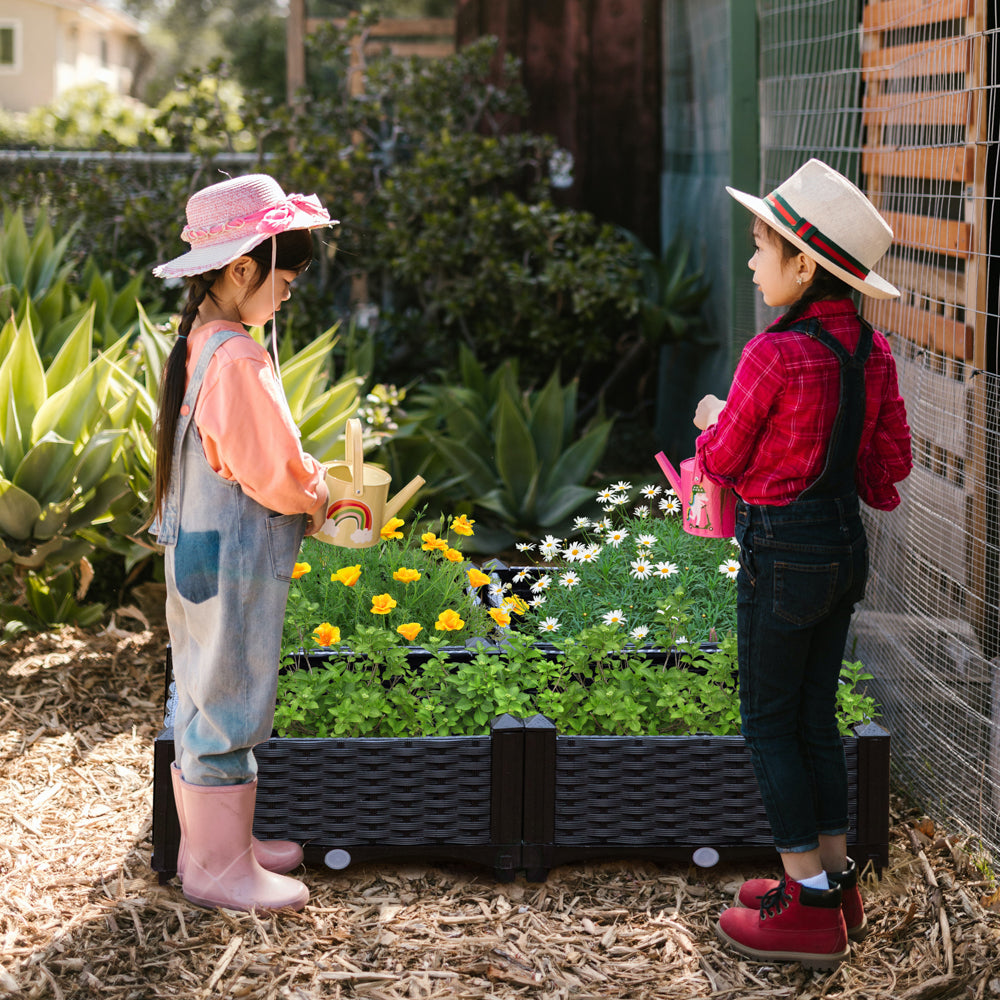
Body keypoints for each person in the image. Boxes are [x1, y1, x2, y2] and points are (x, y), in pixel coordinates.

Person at [693, 159, 912, 969]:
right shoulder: (873, 353)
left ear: (804, 264)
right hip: (844, 552)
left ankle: (806, 909)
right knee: (816, 717)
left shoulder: (772, 356)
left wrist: (714, 416)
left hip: (781, 555)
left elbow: (718, 458)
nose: (752, 263)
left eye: (760, 247)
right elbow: (888, 473)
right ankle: (831, 879)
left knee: (768, 723)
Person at [150, 174, 336, 912]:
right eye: (284, 279)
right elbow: (274, 472)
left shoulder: (203, 339)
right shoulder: (240, 359)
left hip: (195, 549)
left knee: (201, 692)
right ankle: (220, 870)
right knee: (232, 700)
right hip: (236, 560)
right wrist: (321, 496)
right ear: (241, 269)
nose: (288, 294)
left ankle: (216, 847)